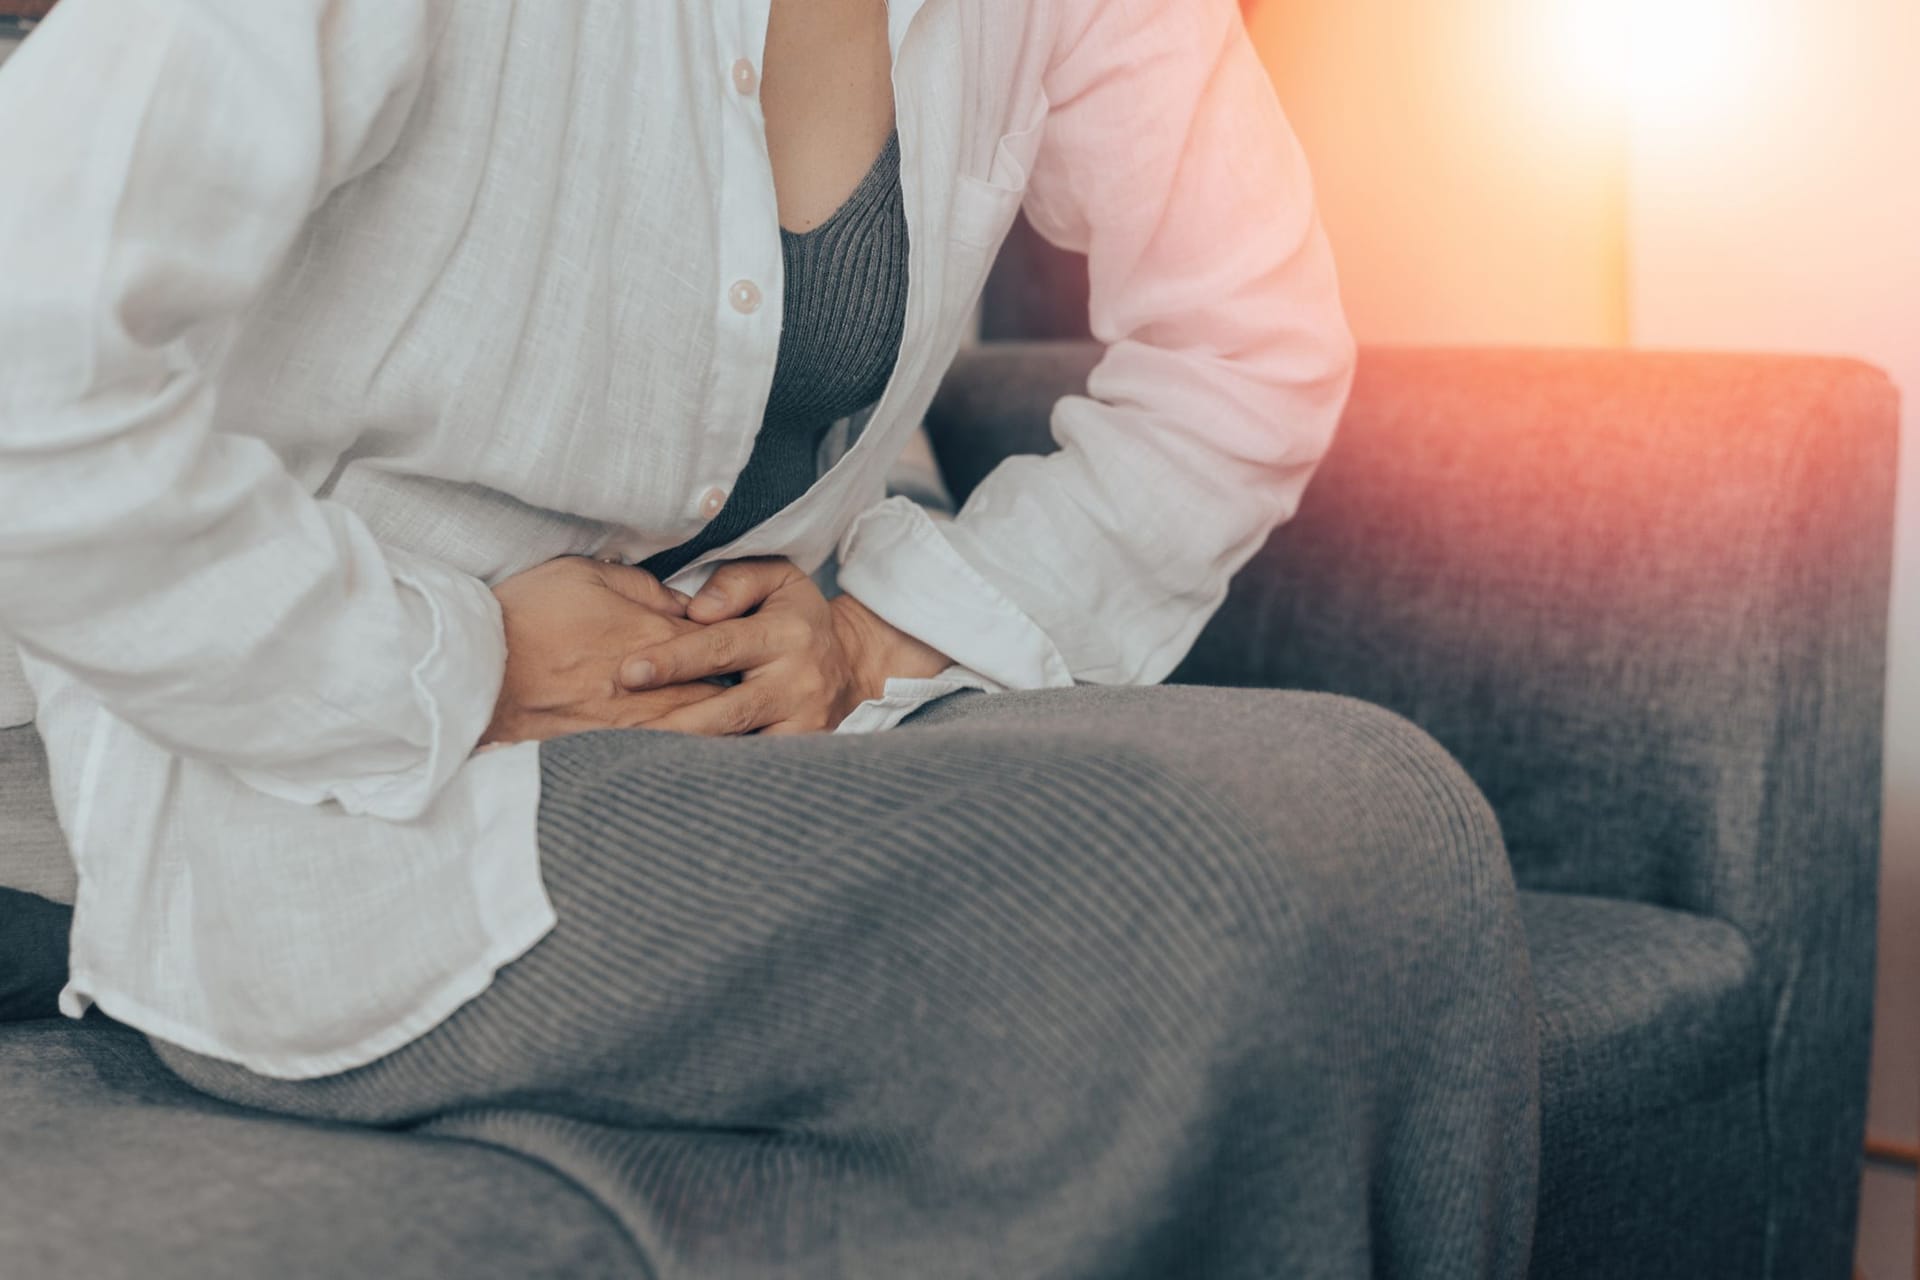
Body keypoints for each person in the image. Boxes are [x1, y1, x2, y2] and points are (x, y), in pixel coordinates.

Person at [0, 0, 1537, 1274]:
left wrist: (885, 635)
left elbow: (1249, 350)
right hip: (356, 783)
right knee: (1169, 893)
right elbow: (30, 375)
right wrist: (447, 653)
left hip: (749, 727)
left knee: (1391, 812)